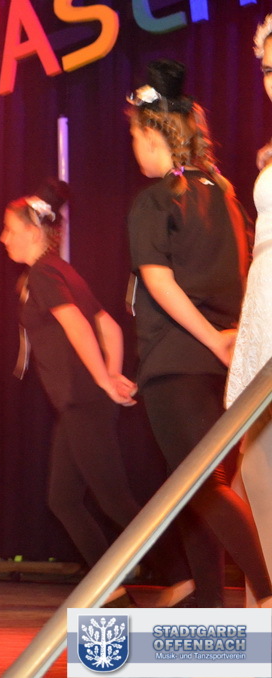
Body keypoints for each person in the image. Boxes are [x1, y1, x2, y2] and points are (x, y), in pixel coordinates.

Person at [126, 59, 272, 608]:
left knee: (200, 484)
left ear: (154, 136)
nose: (133, 147)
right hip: (221, 367)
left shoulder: (155, 199)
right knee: (191, 489)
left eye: (134, 135)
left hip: (177, 362)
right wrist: (229, 338)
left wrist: (211, 337)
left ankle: (266, 591)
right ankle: (209, 603)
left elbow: (159, 282)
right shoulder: (225, 194)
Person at [1, 178, 163, 605]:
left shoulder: (45, 273)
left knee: (114, 500)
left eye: (9, 229)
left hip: (83, 402)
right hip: (78, 403)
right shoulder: (58, 269)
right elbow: (108, 326)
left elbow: (78, 325)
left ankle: (179, 573)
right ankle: (112, 591)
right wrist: (109, 374)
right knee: (64, 499)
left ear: (33, 232)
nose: (3, 238)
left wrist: (105, 380)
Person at [226, 15, 272, 595]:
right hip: (263, 294)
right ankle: (266, 597)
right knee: (255, 450)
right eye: (265, 68)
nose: (271, 79)